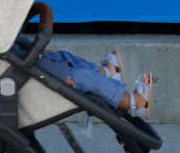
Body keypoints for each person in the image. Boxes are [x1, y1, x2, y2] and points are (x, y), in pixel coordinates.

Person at [14, 47, 154, 118]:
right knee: (80, 76)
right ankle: (133, 103)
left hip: (25, 61)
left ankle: (107, 73)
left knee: (62, 55)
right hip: (27, 75)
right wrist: (61, 74)